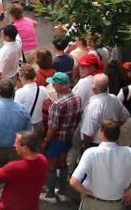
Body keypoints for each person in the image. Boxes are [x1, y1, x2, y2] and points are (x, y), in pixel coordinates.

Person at [0, 79, 32, 209]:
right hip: (15, 151)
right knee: (14, 179)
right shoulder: (22, 110)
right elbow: (29, 132)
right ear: (13, 92)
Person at [70, 119, 131, 210]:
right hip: (117, 204)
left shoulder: (91, 153)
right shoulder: (128, 152)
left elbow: (74, 181)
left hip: (92, 203)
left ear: (102, 134)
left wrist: (85, 191)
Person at [41, 72, 82, 204]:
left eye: (55, 83)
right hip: (68, 136)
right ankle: (62, 192)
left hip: (56, 138)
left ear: (62, 86)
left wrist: (46, 141)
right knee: (63, 164)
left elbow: (52, 126)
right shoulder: (77, 97)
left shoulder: (57, 104)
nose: (52, 85)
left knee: (51, 166)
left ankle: (50, 194)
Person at [0, 131, 48, 210]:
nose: (14, 145)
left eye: (16, 143)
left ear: (24, 148)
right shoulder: (43, 160)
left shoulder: (13, 167)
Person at [80, 73, 129, 148]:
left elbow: (88, 133)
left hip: (96, 144)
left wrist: (85, 147)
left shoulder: (94, 105)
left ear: (94, 89)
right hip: (113, 143)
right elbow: (125, 117)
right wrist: (113, 128)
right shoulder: (114, 98)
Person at [15, 64, 50, 138]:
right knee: (37, 145)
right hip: (39, 123)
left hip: (25, 125)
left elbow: (16, 112)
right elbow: (47, 107)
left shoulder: (19, 92)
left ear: (23, 77)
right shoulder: (43, 89)